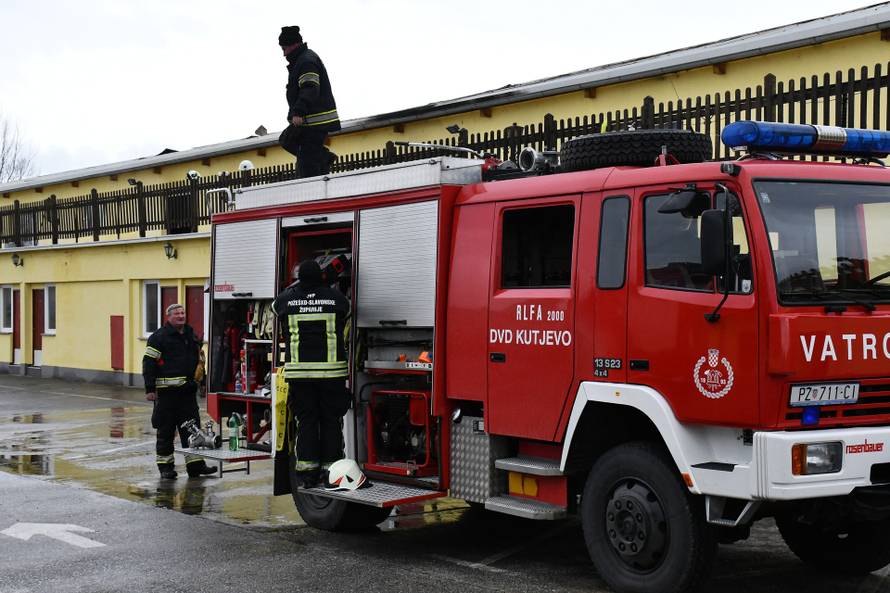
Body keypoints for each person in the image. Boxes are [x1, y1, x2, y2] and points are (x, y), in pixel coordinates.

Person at [273, 260, 351, 487]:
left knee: (306, 421)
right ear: (322, 276)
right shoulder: (336, 299)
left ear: (299, 277)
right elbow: (347, 312)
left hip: (300, 375)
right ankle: (331, 471)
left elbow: (274, 307)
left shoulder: (286, 299)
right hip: (332, 375)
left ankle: (307, 474)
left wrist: (294, 291)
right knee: (331, 421)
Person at [143, 304, 216, 479]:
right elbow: (148, 362)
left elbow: (200, 361)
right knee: (166, 432)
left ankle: (196, 466)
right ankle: (166, 468)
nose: (181, 316)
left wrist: (203, 382)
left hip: (187, 394)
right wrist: (150, 388)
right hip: (166, 395)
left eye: (183, 313)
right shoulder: (158, 337)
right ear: (168, 317)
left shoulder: (190, 334)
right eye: (177, 314)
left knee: (193, 431)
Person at [278, 25, 340, 178]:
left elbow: (310, 87)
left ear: (294, 45)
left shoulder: (306, 61)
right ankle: (323, 157)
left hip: (314, 121)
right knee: (287, 140)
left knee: (307, 162)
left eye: (284, 48)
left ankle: (323, 161)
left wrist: (299, 111)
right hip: (309, 120)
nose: (283, 53)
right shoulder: (302, 60)